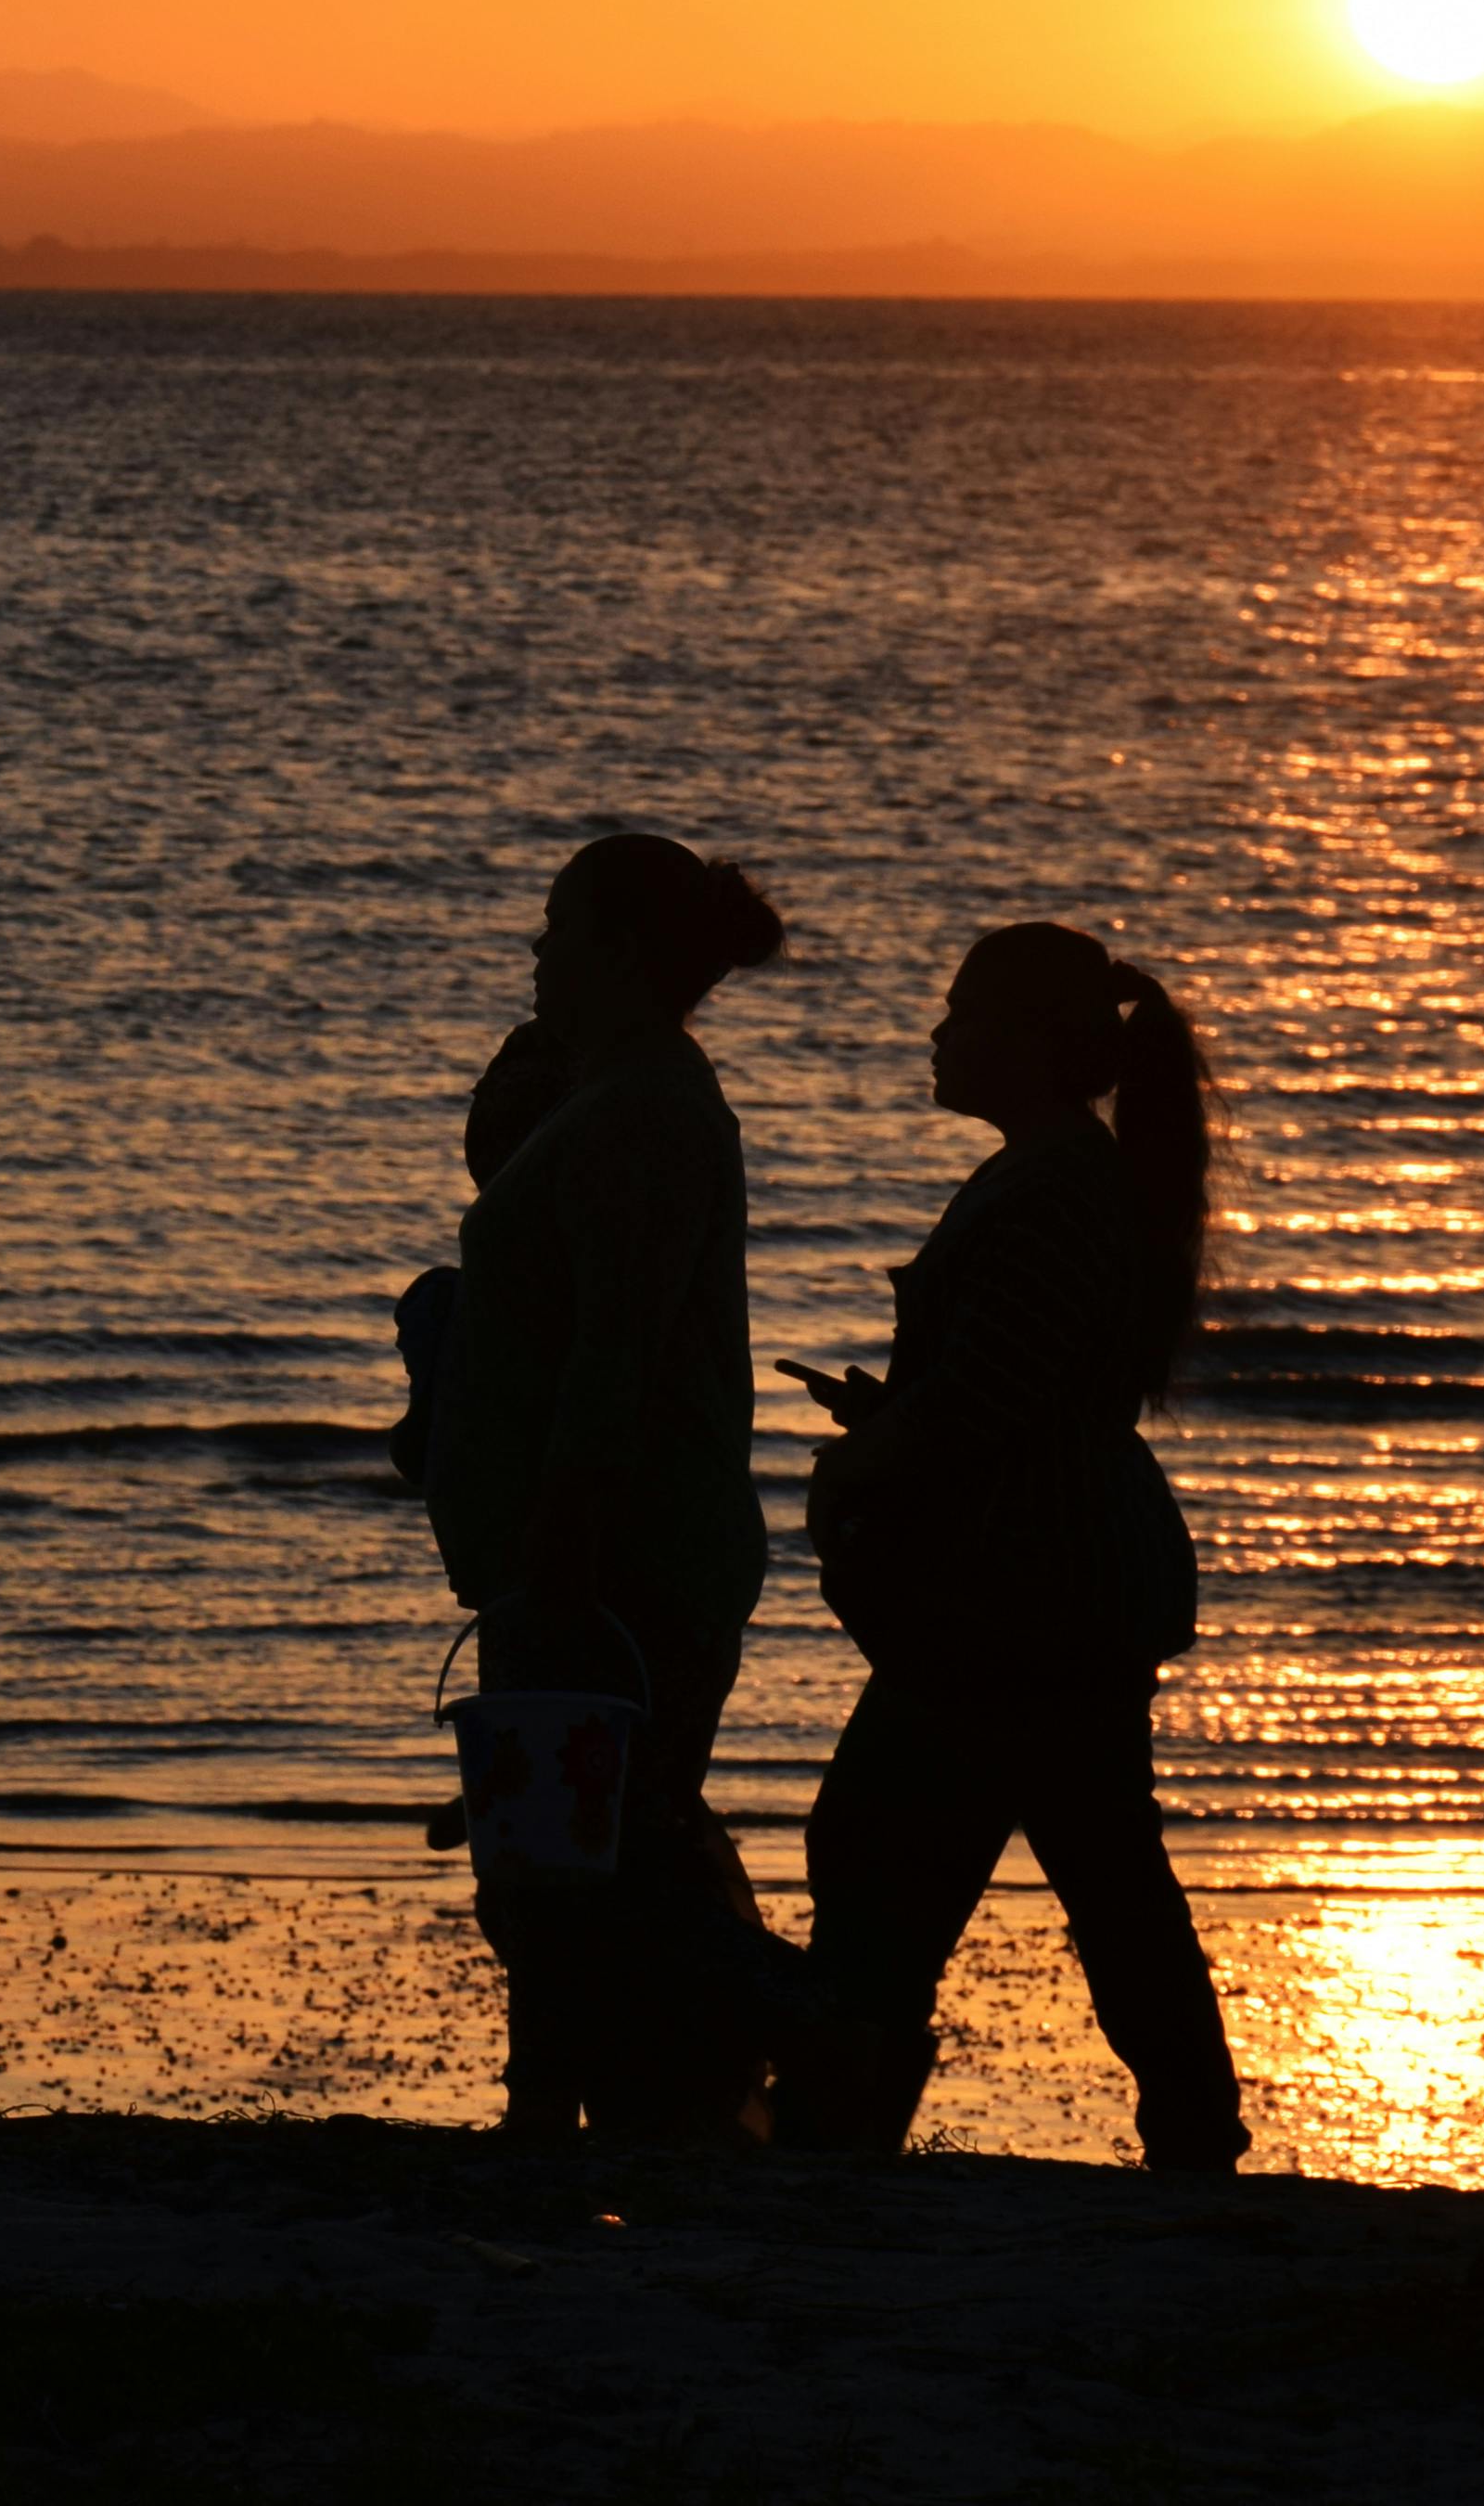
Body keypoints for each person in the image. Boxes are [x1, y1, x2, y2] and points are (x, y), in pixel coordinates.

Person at [774, 920, 1252, 2172]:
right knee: (1089, 1875)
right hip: (1041, 1588)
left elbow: (987, 1400)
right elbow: (1006, 1388)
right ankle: (1189, 2138)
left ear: (1032, 1044)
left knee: (891, 1855)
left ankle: (848, 2117)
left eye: (961, 1015)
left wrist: (864, 1458)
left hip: (1019, 1599)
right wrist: (888, 1423)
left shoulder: (1052, 1192)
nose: (938, 1037)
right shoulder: (1053, 1181)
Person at [417, 830, 786, 2142]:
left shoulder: (648, 1112)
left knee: (589, 1862)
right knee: (562, 1858)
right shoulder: (611, 1092)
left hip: (623, 1558)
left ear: (621, 952)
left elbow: (613, 1350)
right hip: (582, 1548)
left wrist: (566, 1540)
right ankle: (567, 2104)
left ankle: (724, 2070)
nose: (536, 953)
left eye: (557, 929)